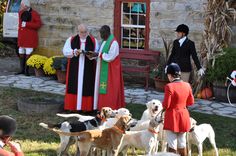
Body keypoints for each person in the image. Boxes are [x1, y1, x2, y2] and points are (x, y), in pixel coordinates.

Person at [63, 24, 99, 112]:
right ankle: (73, 107)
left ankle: (86, 108)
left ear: (88, 31)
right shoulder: (71, 40)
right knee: (74, 85)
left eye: (85, 32)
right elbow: (65, 51)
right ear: (78, 31)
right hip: (74, 67)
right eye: (81, 32)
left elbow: (97, 53)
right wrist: (74, 52)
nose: (83, 34)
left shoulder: (93, 41)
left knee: (87, 86)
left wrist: (91, 54)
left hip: (88, 68)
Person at [162, 63, 194, 156]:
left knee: (171, 144)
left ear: (170, 75)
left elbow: (166, 105)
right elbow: (191, 102)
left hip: (172, 117)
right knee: (182, 143)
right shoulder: (187, 85)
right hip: (184, 116)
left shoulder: (169, 86)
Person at [93, 25, 125, 110]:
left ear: (107, 33)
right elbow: (101, 52)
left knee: (110, 89)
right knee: (102, 88)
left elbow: (110, 57)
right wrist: (93, 54)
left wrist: (98, 54)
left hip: (111, 70)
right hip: (103, 68)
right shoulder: (104, 41)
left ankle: (111, 107)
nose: (101, 35)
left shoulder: (113, 42)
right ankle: (101, 106)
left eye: (102, 33)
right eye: (100, 33)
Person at [16, 0, 42, 76]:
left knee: (28, 53)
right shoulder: (20, 13)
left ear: (26, 6)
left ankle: (27, 71)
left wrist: (27, 24)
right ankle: (21, 70)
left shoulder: (34, 14)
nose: (20, 7)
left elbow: (38, 25)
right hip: (22, 37)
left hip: (30, 38)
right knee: (20, 52)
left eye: (22, 5)